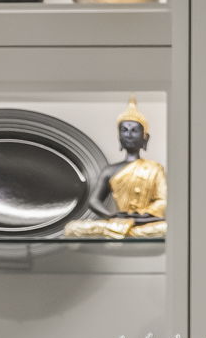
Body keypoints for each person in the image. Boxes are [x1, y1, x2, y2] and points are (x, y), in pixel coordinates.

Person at [62, 96, 168, 240]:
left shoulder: (155, 168)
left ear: (145, 137)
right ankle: (123, 231)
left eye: (134, 130)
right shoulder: (110, 170)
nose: (129, 134)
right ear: (119, 136)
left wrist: (143, 215)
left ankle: (124, 232)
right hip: (117, 221)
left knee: (166, 229)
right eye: (124, 130)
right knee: (72, 228)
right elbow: (94, 201)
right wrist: (111, 216)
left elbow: (163, 200)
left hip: (145, 223)